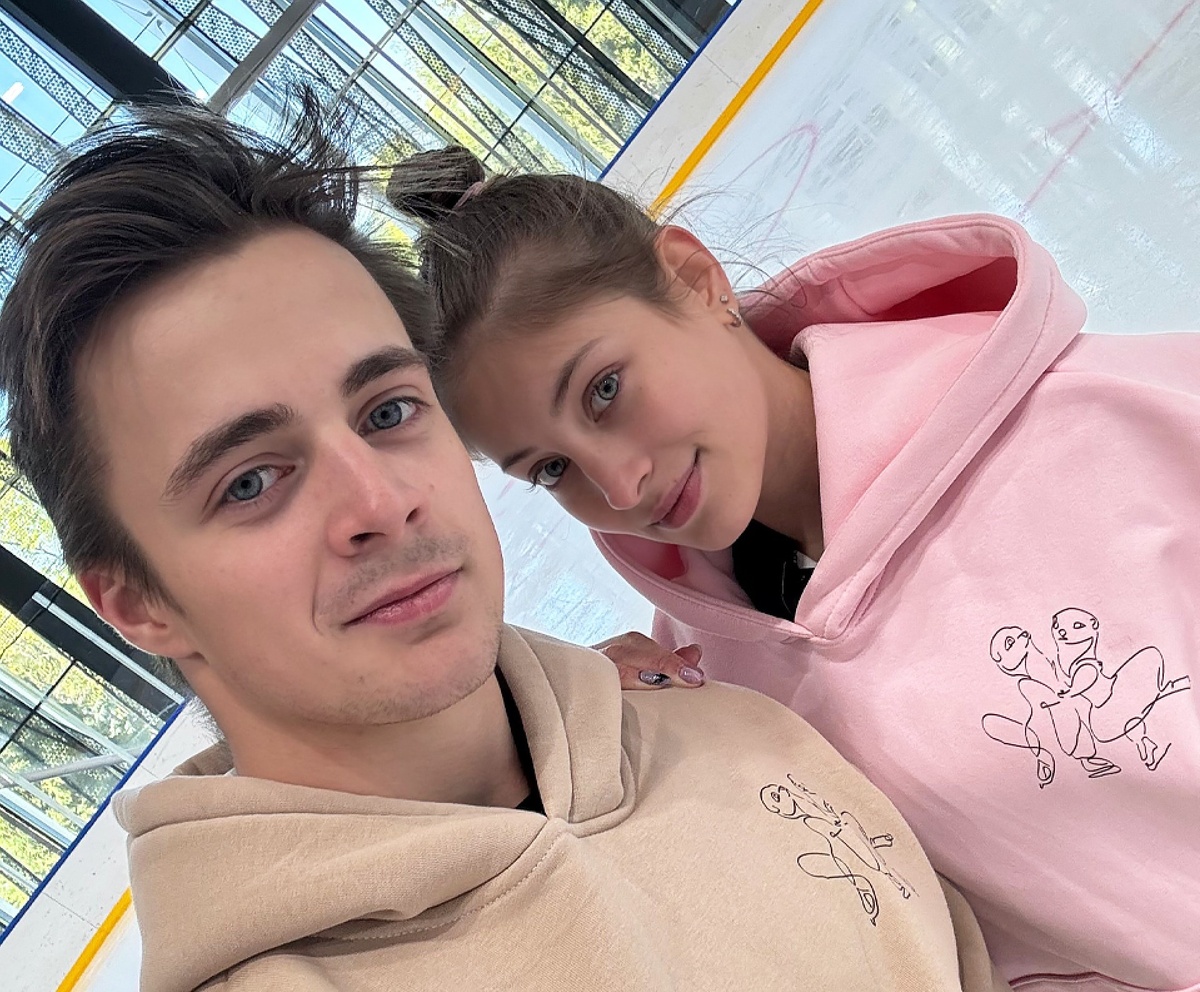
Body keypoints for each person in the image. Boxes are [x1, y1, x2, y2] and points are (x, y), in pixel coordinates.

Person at [0, 100, 1007, 992]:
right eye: (251, 481)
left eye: (389, 410)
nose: (381, 502)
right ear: (137, 604)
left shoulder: (733, 726)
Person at [384, 146, 1200, 992]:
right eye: (552, 469)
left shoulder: (1116, 422)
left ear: (696, 279)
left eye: (604, 391)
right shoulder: (716, 677)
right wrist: (648, 756)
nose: (619, 485)